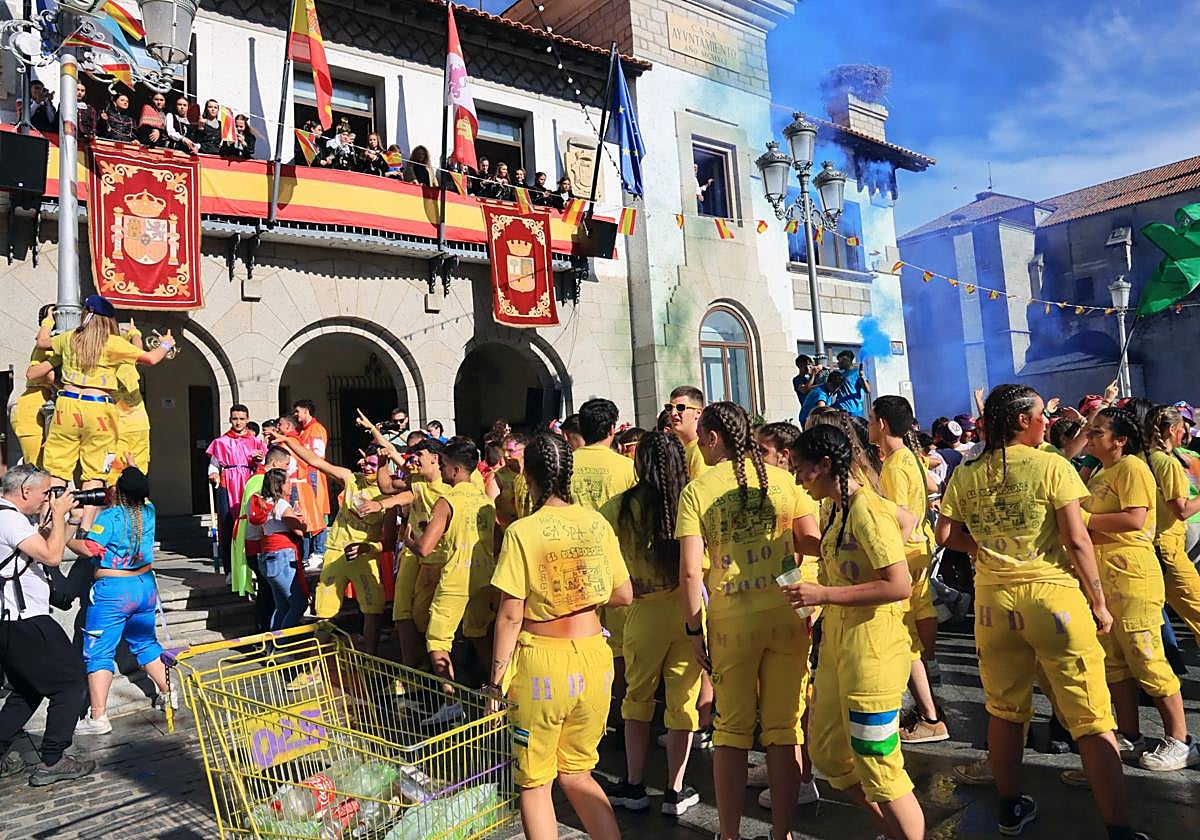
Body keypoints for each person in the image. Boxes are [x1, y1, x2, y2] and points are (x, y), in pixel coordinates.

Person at [935, 384, 1139, 838]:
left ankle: (1009, 809)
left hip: (993, 606)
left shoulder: (968, 471)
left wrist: (982, 550)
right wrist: (1099, 601)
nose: (1047, 421)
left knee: (1005, 711)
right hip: (1053, 598)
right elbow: (1077, 540)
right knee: (1092, 718)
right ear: (1022, 421)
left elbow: (944, 534)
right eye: (1040, 414)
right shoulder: (1052, 466)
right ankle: (1120, 829)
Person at [676, 402, 819, 840]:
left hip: (730, 621)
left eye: (703, 439)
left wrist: (693, 629)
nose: (700, 446)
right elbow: (808, 543)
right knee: (784, 728)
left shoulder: (698, 490)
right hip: (785, 613)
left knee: (731, 731)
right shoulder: (783, 480)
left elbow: (690, 572)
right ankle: (782, 833)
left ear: (714, 437)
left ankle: (730, 834)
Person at [785, 424, 925, 840]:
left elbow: (898, 585)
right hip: (839, 649)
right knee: (829, 753)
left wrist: (825, 594)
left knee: (879, 762)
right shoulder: (836, 508)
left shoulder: (866, 509)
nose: (797, 479)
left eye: (801, 469)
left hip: (874, 653)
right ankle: (893, 832)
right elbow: (900, 523)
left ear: (826, 464)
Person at [489, 432, 631, 840]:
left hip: (542, 663)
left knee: (535, 783)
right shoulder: (596, 522)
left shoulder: (522, 531)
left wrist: (494, 683)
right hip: (594, 658)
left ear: (527, 477)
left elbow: (510, 614)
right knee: (578, 773)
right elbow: (623, 593)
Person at [1079, 408, 1196, 771]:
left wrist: (1084, 520)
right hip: (1105, 578)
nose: (1090, 437)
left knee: (1147, 658)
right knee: (1115, 662)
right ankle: (1130, 734)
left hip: (1133, 577)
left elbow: (1135, 518)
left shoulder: (1132, 468)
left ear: (1120, 440)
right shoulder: (1101, 472)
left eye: (1098, 432)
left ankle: (1180, 739)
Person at [607, 431, 702, 818]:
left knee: (637, 698)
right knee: (682, 702)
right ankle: (675, 790)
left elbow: (601, 550)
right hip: (686, 611)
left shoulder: (620, 506)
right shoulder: (690, 501)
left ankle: (633, 784)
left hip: (642, 612)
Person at [31, 295, 173, 532]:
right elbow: (150, 358)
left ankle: (50, 522)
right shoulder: (112, 343)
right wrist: (166, 343)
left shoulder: (70, 337)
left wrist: (48, 322)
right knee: (95, 473)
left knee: (58, 470)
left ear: (85, 315)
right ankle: (86, 527)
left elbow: (42, 341)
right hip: (98, 409)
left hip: (67, 405)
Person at [0, 465, 93, 786]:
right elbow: (52, 557)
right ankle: (53, 760)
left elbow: (44, 547)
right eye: (45, 493)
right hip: (27, 620)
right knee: (70, 682)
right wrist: (60, 513)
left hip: (12, 621)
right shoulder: (9, 519)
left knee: (27, 690)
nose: (47, 499)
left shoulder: (9, 516)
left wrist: (69, 520)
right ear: (25, 491)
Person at [868, 396, 948, 745]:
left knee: (905, 634)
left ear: (882, 424)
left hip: (908, 552)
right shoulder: (909, 458)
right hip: (920, 549)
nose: (869, 424)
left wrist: (887, 560)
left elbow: (903, 517)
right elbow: (931, 487)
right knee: (917, 617)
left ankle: (930, 716)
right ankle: (928, 697)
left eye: (872, 418)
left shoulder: (895, 465)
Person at [269, 430, 389, 653]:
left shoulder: (389, 495)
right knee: (325, 610)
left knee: (372, 609)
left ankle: (370, 657)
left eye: (373, 464)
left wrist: (367, 547)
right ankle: (317, 660)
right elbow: (315, 461)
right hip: (336, 551)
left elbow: (388, 540)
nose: (367, 468)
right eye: (366, 463)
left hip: (364, 557)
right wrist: (289, 441)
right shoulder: (351, 478)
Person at [69, 467, 169, 734]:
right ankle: (169, 693)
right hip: (144, 587)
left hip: (113, 591)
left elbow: (89, 548)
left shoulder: (111, 517)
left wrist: (67, 536)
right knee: (146, 643)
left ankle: (98, 717)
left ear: (120, 492)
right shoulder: (149, 511)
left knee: (99, 652)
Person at [403, 437, 496, 691]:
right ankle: (496, 690)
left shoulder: (447, 501)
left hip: (457, 576)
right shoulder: (486, 501)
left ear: (455, 470)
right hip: (484, 576)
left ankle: (450, 699)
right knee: (479, 633)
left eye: (443, 465)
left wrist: (409, 541)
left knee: (437, 640)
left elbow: (425, 548)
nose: (441, 469)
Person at [570, 399, 637, 725]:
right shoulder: (626, 468)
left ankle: (581, 707)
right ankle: (620, 711)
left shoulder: (565, 465)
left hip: (571, 565)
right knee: (620, 646)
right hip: (616, 564)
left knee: (578, 637)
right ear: (613, 429)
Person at [391, 438, 450, 668]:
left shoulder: (451, 488)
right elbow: (391, 487)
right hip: (413, 554)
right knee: (405, 613)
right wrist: (383, 503)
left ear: (436, 458)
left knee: (432, 621)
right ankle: (413, 668)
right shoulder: (416, 480)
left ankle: (439, 674)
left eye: (419, 454)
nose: (414, 459)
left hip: (439, 559)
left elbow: (426, 546)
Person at [1145, 405, 1200, 644]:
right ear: (1171, 430)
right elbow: (1182, 510)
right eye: (1182, 428)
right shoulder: (1166, 463)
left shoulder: (1143, 458)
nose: (1185, 433)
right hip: (1167, 548)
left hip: (1154, 545)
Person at [232, 446, 291, 632]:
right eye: (286, 465)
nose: (287, 469)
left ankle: (267, 630)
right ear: (274, 463)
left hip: (257, 542)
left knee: (268, 591)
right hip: (258, 543)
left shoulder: (256, 479)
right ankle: (265, 631)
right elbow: (259, 515)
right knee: (268, 592)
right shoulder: (260, 480)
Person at [206, 405, 267, 578]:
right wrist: (213, 474)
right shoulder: (221, 442)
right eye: (235, 419)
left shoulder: (256, 442)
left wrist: (260, 460)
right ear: (230, 419)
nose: (238, 422)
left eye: (241, 419)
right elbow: (214, 464)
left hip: (249, 483)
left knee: (251, 524)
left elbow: (266, 464)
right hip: (228, 483)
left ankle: (252, 566)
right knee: (227, 525)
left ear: (247, 420)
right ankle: (230, 570)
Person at [251, 467, 307, 630]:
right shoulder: (281, 505)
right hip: (282, 557)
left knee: (282, 606)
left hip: (267, 556)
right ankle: (282, 642)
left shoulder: (263, 504)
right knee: (298, 603)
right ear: (279, 485)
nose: (291, 485)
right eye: (288, 481)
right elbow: (299, 531)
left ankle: (274, 642)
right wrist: (303, 522)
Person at [9, 305, 56, 467]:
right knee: (35, 466)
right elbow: (33, 374)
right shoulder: (45, 348)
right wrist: (48, 320)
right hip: (30, 410)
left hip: (38, 406)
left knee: (45, 465)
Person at [293, 399, 331, 570]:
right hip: (303, 476)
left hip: (313, 474)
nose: (296, 414)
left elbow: (318, 455)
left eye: (298, 411)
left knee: (317, 512)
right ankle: (308, 553)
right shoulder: (301, 430)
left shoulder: (316, 429)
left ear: (306, 411)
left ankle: (319, 552)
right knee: (306, 514)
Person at [665, 386, 707, 480]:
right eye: (669, 408)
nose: (673, 413)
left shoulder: (701, 450)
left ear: (698, 413)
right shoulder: (683, 449)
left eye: (680, 408)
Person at [830, 350, 870, 418]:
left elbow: (868, 390)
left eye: (840, 361)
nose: (838, 363)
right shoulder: (841, 375)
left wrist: (862, 377)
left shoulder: (857, 373)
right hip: (841, 411)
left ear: (847, 360)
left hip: (853, 411)